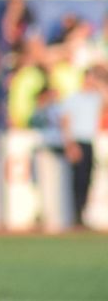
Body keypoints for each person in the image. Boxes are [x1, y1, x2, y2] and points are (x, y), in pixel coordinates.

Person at [53, 63, 107, 229]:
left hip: (89, 141)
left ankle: (82, 215)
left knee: (88, 180)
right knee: (78, 180)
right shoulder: (73, 98)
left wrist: (100, 84)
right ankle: (76, 216)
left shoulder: (95, 98)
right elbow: (65, 122)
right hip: (77, 141)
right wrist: (70, 144)